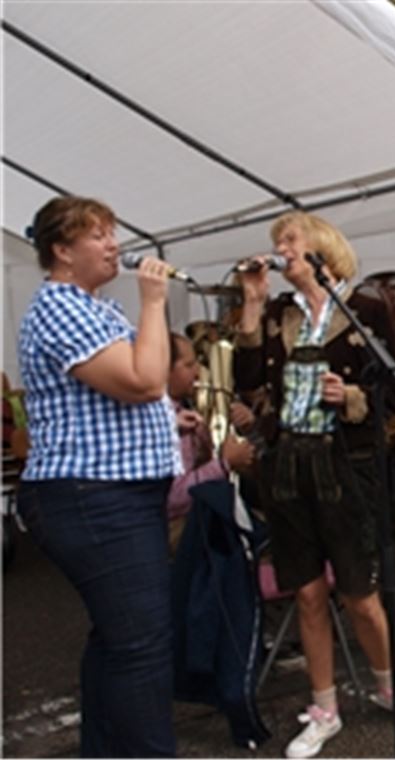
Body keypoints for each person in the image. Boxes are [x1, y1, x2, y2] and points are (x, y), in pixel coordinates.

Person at [234, 210, 395, 759]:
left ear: (322, 249)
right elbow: (246, 380)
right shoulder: (277, 311)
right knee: (306, 593)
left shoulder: (365, 309)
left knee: (360, 594)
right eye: (277, 241)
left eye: (289, 239)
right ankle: (324, 709)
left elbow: (393, 391)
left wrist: (349, 398)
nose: (280, 248)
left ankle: (391, 687)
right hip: (288, 466)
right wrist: (251, 302)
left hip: (348, 467)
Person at [16, 196, 181, 757]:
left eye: (113, 233)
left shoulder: (95, 307)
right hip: (94, 497)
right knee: (142, 647)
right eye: (99, 235)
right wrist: (154, 302)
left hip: (113, 495)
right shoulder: (61, 307)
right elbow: (144, 381)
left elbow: (129, 390)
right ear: (62, 250)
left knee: (120, 639)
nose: (114, 245)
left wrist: (167, 420)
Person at [165, 333, 256, 552]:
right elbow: (174, 499)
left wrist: (245, 425)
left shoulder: (185, 407)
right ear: (164, 370)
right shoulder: (161, 421)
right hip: (176, 531)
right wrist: (224, 464)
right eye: (189, 365)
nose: (198, 372)